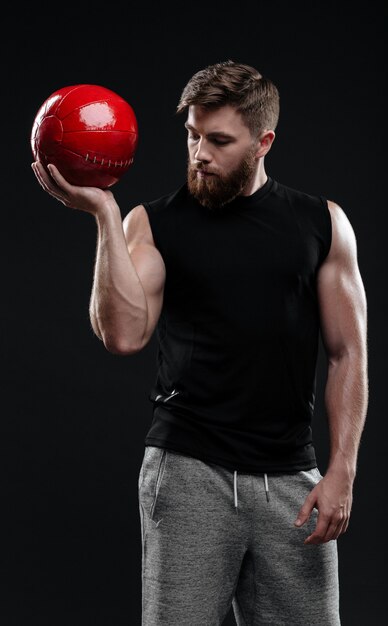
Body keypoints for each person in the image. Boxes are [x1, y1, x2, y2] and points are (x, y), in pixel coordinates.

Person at [32, 60, 368, 625]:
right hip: (189, 475)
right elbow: (122, 333)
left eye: (218, 141)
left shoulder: (322, 224)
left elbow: (348, 353)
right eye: (192, 135)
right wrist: (106, 218)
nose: (199, 153)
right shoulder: (155, 223)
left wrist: (343, 471)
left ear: (263, 142)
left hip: (291, 482)